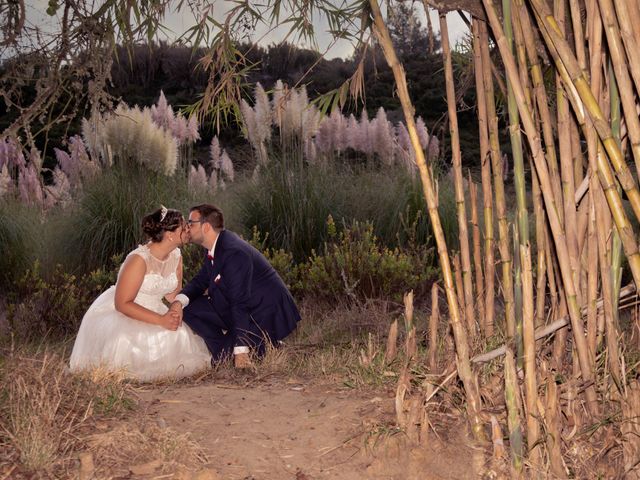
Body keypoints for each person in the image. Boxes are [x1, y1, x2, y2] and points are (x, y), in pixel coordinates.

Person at [69, 206, 211, 381]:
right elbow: (122, 304)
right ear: (170, 235)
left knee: (179, 334)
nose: (189, 230)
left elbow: (172, 295)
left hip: (155, 306)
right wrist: (161, 320)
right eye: (184, 227)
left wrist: (190, 302)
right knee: (123, 341)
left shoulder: (176, 255)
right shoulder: (138, 259)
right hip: (126, 309)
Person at [170, 204, 301, 368]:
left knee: (223, 362)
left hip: (262, 314)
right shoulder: (214, 246)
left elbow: (240, 302)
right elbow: (201, 280)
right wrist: (178, 301)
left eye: (191, 223)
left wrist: (241, 353)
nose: (187, 227)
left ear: (206, 227)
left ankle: (263, 345)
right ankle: (222, 349)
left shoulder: (233, 252)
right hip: (237, 306)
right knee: (187, 307)